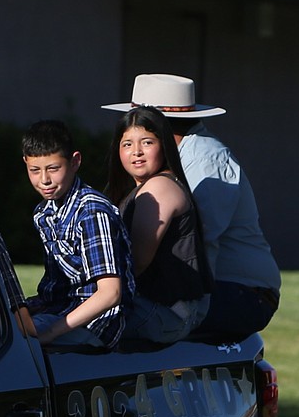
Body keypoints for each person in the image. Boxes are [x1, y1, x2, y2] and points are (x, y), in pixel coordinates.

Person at [103, 74, 280, 339]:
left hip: (240, 294)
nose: (135, 146)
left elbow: (197, 240)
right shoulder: (169, 160)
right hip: (212, 288)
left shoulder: (205, 158)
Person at [21, 119, 133, 348]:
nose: (44, 180)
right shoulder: (43, 213)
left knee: (20, 348)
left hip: (96, 325)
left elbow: (110, 293)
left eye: (53, 168)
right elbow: (56, 288)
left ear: (75, 162)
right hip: (61, 310)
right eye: (35, 170)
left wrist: (51, 332)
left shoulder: (91, 212)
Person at [105, 106, 209, 343]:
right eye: (127, 144)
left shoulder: (159, 187)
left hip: (164, 313)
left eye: (147, 142)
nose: (137, 152)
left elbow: (137, 262)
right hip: (152, 307)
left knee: (66, 333)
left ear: (164, 145)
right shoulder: (141, 189)